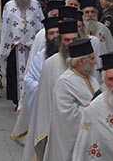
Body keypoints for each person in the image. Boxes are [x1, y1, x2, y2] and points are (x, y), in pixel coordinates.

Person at [24, 19, 80, 160]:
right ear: (60, 41)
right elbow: (43, 98)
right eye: (67, 40)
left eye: (74, 40)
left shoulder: (85, 62)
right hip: (56, 127)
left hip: (81, 126)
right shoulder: (50, 64)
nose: (71, 44)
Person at [44, 39, 99, 161]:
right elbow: (67, 117)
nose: (95, 62)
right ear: (81, 61)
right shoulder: (64, 82)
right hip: (71, 142)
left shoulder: (91, 79)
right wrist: (95, 110)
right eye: (92, 58)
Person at [0, 0, 44, 106]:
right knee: (15, 75)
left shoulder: (35, 5)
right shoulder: (9, 6)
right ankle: (17, 100)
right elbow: (5, 28)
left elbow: (41, 25)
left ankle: (34, 100)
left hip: (32, 48)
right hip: (15, 47)